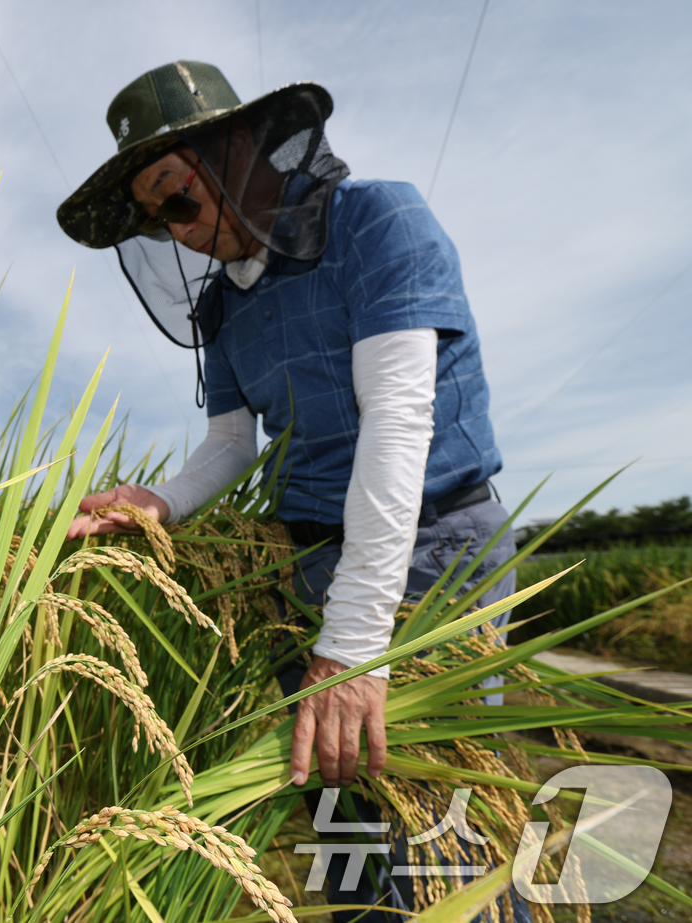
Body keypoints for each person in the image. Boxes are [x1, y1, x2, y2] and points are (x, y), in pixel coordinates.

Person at [56, 61, 525, 921]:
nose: (178, 233)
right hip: (306, 555)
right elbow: (232, 444)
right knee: (334, 808)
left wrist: (351, 646)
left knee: (437, 827)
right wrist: (160, 501)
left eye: (178, 199)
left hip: (433, 546)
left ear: (237, 150)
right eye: (157, 221)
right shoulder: (223, 313)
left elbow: (398, 425)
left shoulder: (380, 223)